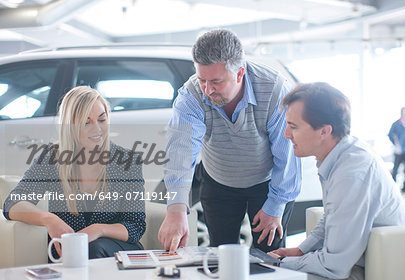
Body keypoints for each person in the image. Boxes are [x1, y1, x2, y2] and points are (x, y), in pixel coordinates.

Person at [158, 29, 301, 253]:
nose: (207, 89)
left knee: (270, 255)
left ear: (240, 72)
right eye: (202, 79)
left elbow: (288, 155)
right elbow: (181, 153)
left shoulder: (274, 89)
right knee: (220, 256)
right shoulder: (191, 95)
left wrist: (275, 206)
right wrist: (176, 210)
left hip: (267, 183)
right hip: (219, 181)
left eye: (216, 81)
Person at [268, 83, 405, 280]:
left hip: (373, 273)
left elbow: (335, 264)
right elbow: (333, 217)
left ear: (325, 131)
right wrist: (301, 250)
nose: (286, 134)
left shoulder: (351, 173)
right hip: (358, 263)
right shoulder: (340, 155)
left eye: (293, 126)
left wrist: (283, 263)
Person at [3, 86, 146, 259]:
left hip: (115, 252)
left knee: (92, 247)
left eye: (102, 119)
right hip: (68, 254)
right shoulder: (53, 157)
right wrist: (49, 219)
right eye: (86, 122)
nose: (97, 129)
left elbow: (136, 225)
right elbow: (13, 203)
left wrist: (97, 230)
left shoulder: (127, 161)